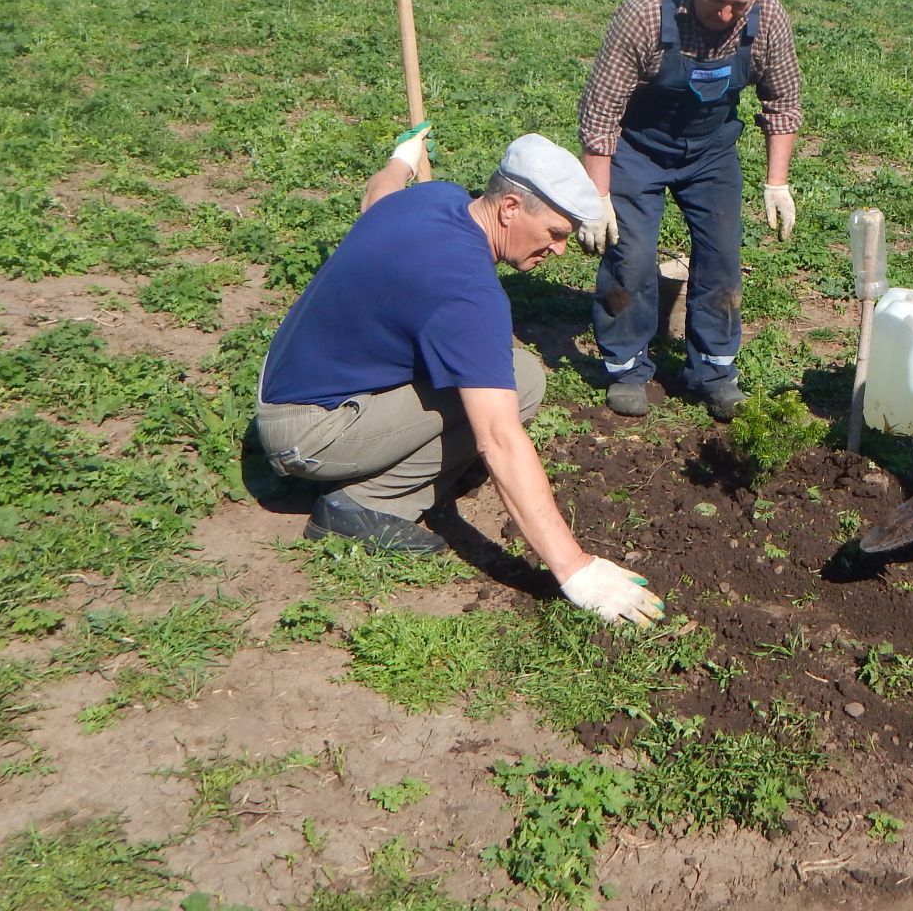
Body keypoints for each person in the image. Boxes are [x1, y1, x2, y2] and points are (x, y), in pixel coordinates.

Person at [255, 126, 665, 626]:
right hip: (309, 435)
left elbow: (376, 196)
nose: (559, 249)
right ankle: (361, 505)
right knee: (517, 390)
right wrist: (576, 570)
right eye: (556, 233)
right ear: (510, 207)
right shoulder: (468, 294)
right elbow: (499, 439)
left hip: (287, 386)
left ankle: (389, 463)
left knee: (515, 374)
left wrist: (401, 158)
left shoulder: (434, 197)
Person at [577, 0, 803, 421]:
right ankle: (627, 367)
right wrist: (597, 196)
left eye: (738, 5)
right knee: (630, 258)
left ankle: (715, 372)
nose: (726, 15)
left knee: (722, 259)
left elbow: (782, 100)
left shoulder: (768, 19)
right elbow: (600, 112)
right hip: (637, 150)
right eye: (716, 0)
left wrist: (776, 182)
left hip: (711, 153)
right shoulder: (644, 14)